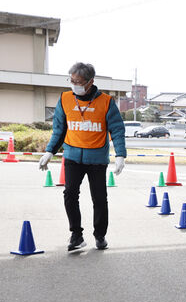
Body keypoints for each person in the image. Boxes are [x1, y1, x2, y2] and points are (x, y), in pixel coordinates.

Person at [39, 63, 126, 251]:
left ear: (90, 82)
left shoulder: (106, 102)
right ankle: (76, 235)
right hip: (72, 157)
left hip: (97, 159)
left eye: (78, 82)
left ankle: (100, 235)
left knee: (99, 198)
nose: (74, 85)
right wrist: (49, 151)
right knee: (70, 194)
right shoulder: (65, 99)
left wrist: (120, 155)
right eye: (71, 80)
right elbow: (59, 129)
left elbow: (117, 130)